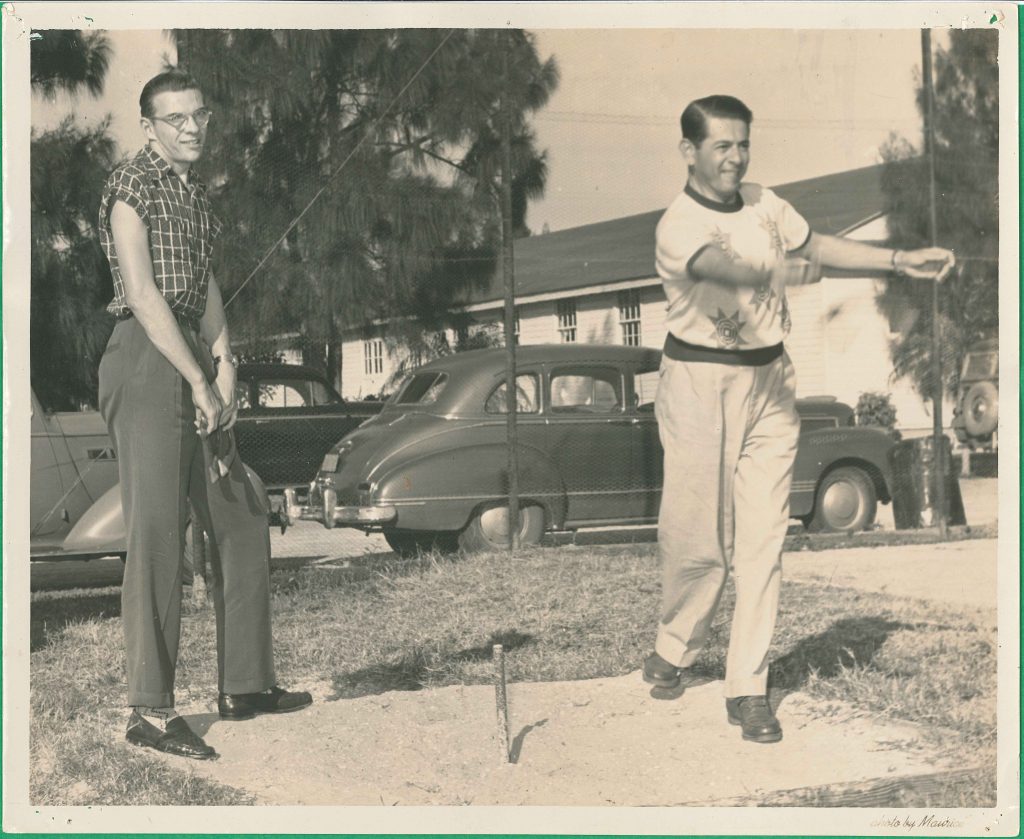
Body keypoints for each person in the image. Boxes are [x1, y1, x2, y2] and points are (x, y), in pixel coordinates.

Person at [643, 95, 954, 744]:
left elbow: (823, 247)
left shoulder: (766, 202)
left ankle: (747, 686)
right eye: (721, 146)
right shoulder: (677, 224)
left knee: (763, 538)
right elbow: (721, 269)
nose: (735, 157)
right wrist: (776, 268)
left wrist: (899, 260)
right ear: (689, 152)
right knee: (698, 537)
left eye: (743, 144)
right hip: (700, 381)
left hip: (771, 379)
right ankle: (675, 643)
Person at [97, 70, 312, 761]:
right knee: (159, 533)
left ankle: (244, 684)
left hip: (189, 350)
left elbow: (204, 284)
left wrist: (225, 358)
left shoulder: (193, 196)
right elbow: (141, 291)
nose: (193, 127)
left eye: (200, 115)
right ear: (149, 125)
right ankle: (149, 712)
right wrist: (197, 378)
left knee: (241, 508)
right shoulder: (131, 186)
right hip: (145, 354)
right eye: (177, 118)